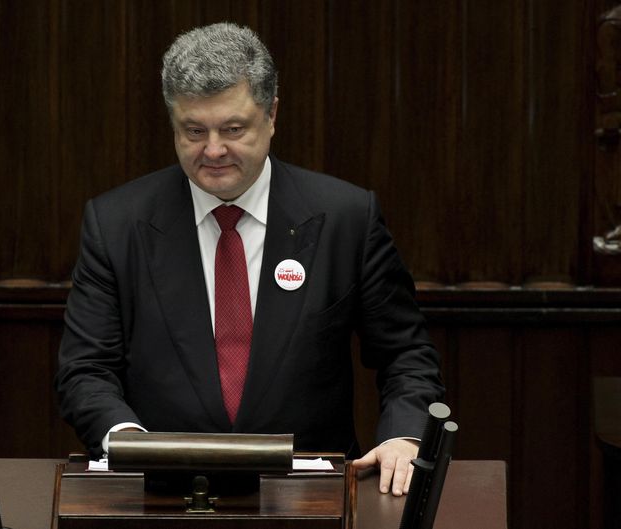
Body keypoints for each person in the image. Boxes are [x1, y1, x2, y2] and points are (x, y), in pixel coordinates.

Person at [55, 22, 444, 497]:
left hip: (310, 497)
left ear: (273, 114)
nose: (213, 150)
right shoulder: (116, 224)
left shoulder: (346, 218)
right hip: (161, 496)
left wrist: (402, 437)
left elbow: (405, 353)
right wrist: (130, 443)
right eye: (193, 131)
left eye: (233, 129)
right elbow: (85, 369)